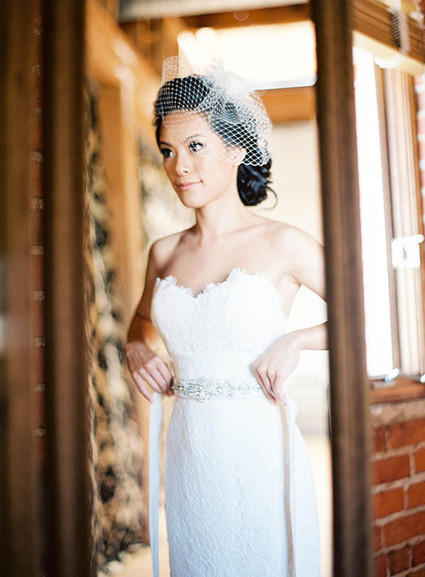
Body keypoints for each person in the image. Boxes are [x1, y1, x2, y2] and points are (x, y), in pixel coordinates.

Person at [125, 57, 326, 577]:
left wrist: (297, 340)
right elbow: (141, 321)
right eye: (168, 150)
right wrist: (137, 346)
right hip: (189, 452)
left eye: (195, 146)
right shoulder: (164, 253)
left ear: (237, 149)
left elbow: (362, 315)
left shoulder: (283, 243)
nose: (179, 166)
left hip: (258, 448)